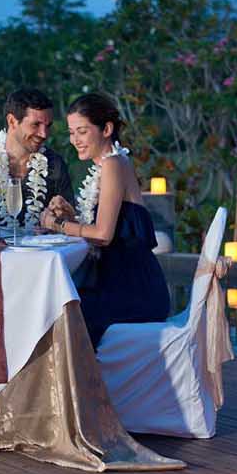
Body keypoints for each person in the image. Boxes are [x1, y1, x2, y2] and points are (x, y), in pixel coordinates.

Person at [38, 93, 171, 346]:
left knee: (57, 312)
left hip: (134, 290)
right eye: (71, 133)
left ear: (106, 129)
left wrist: (57, 225)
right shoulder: (110, 165)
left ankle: (79, 374)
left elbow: (103, 234)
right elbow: (109, 227)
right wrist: (71, 216)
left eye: (82, 131)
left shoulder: (114, 164)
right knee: (55, 305)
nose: (75, 140)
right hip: (121, 282)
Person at [0, 87, 75, 230]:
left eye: (48, 126)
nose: (44, 134)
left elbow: (69, 221)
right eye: (36, 125)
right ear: (12, 121)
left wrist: (63, 215)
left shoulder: (55, 165)